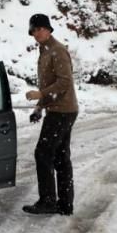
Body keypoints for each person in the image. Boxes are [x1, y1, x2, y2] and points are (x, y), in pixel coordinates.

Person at [22, 13, 79, 216]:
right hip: (59, 109)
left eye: (39, 29)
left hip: (62, 111)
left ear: (48, 29)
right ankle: (65, 204)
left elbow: (64, 83)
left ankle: (48, 201)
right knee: (61, 156)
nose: (36, 34)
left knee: (43, 153)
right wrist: (39, 106)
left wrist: (41, 95)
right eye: (33, 31)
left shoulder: (57, 51)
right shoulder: (45, 51)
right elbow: (49, 84)